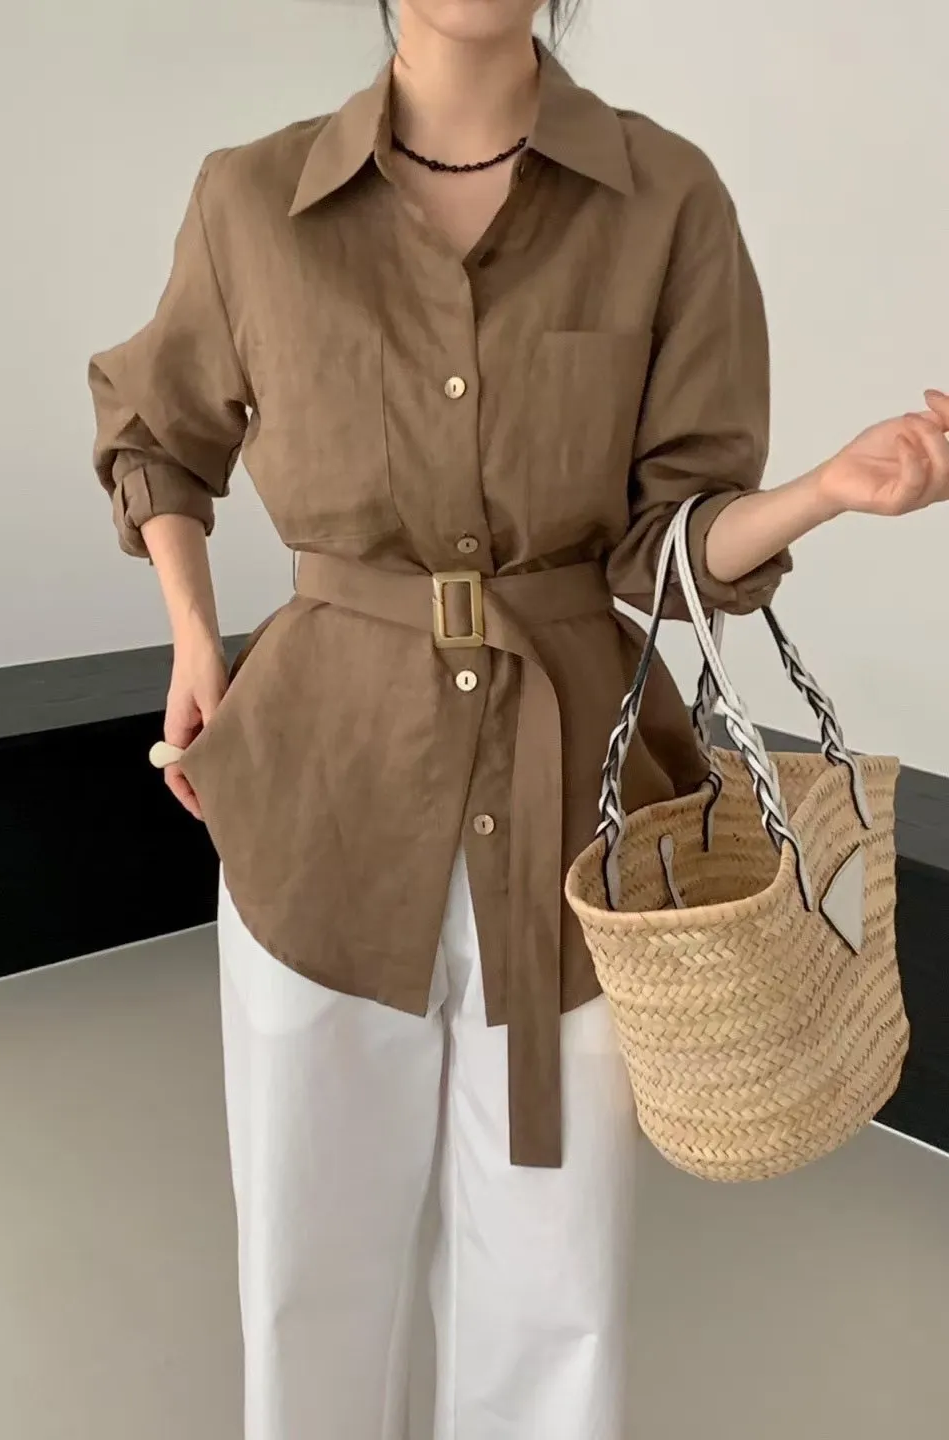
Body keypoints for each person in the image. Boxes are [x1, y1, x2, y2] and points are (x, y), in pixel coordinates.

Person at [88, 2, 949, 1435]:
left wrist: (824, 493)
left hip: (579, 820)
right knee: (308, 1266)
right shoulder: (253, 199)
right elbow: (154, 431)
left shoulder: (666, 198)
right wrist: (193, 639)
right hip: (319, 798)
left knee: (557, 1285)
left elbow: (666, 551)